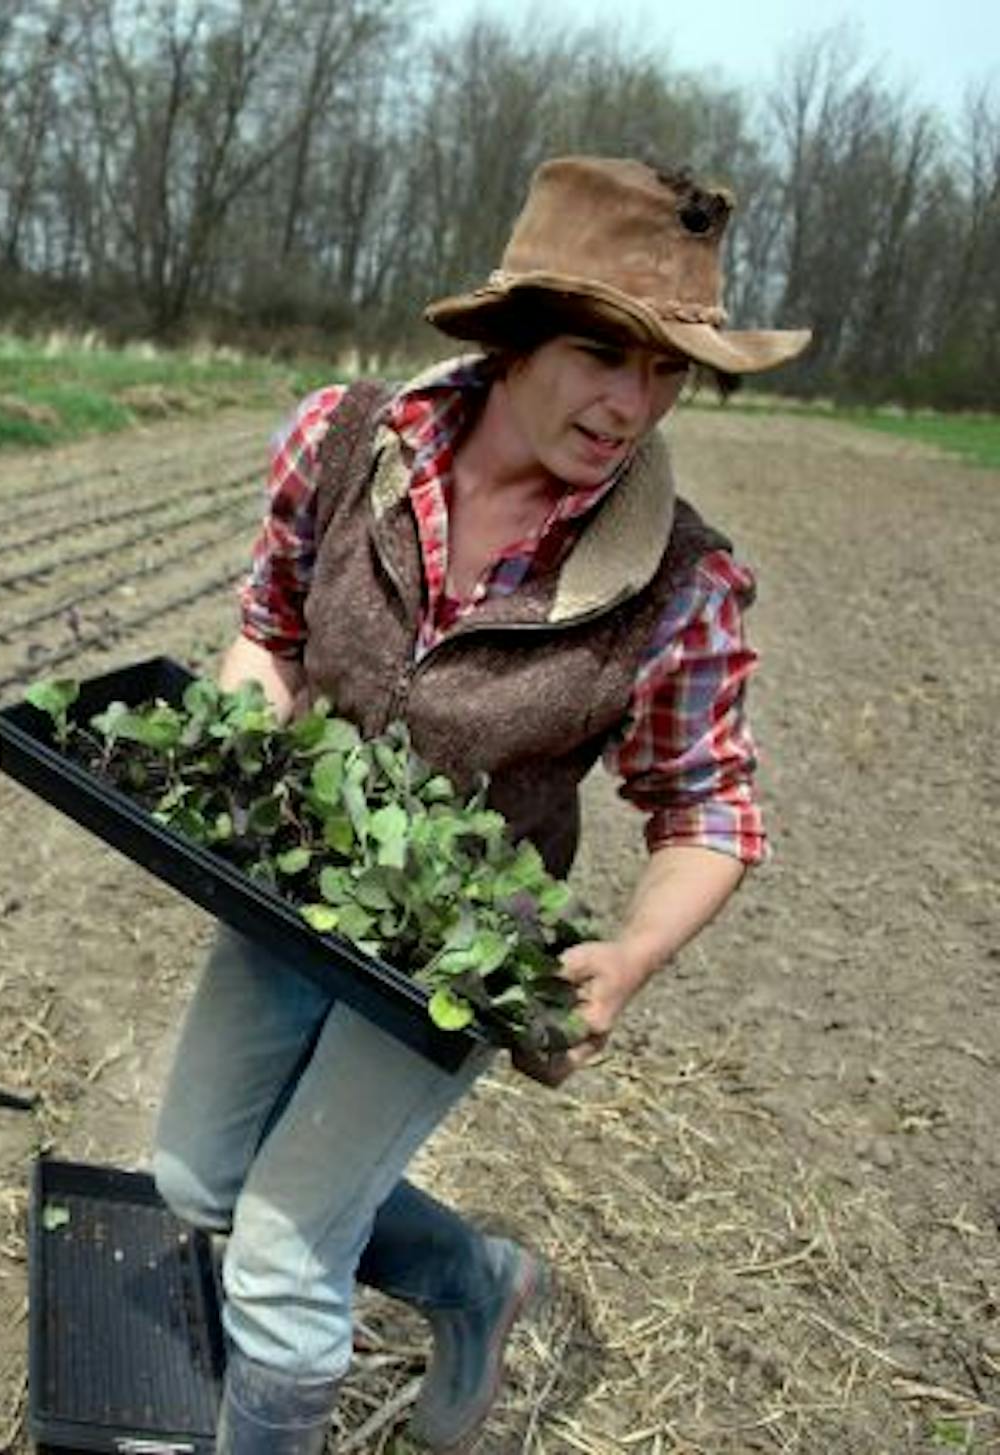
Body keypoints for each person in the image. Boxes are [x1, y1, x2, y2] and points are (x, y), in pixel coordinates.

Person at [150, 157, 810, 1453]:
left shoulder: (679, 584)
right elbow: (269, 634)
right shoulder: (344, 440)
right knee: (196, 1178)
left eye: (667, 369)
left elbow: (707, 814)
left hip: (456, 945)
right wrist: (238, 742)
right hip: (297, 883)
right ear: (516, 338)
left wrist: (628, 958)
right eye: (601, 353)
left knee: (282, 1253)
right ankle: (473, 1277)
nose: (633, 403)